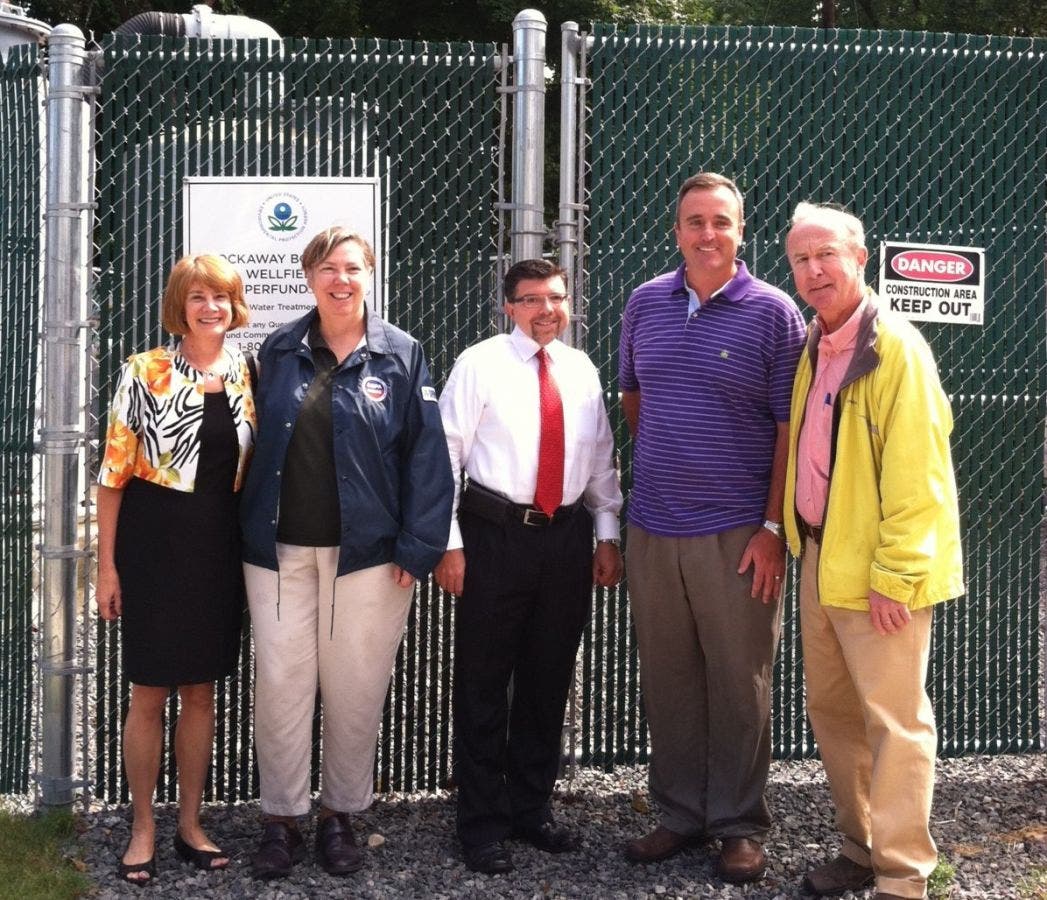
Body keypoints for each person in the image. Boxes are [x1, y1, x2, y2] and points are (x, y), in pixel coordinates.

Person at [240, 226, 453, 880]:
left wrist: (419, 545)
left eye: (353, 268)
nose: (341, 280)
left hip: (370, 555)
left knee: (355, 687)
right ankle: (280, 819)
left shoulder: (401, 353)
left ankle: (339, 814)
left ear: (370, 275)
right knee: (281, 684)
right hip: (278, 554)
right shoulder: (277, 350)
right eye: (328, 268)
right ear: (309, 277)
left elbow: (427, 455)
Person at [618, 172, 806, 882]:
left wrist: (771, 527)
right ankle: (679, 814)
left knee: (738, 681)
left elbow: (789, 430)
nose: (707, 234)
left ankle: (738, 823)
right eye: (694, 221)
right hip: (652, 526)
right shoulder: (644, 303)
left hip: (737, 533)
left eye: (720, 222)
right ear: (676, 231)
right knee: (668, 678)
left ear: (740, 231)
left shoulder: (774, 313)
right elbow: (634, 397)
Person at [782, 202, 964, 900]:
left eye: (826, 254)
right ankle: (860, 848)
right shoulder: (815, 340)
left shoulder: (895, 350)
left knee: (894, 723)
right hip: (821, 559)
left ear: (860, 258)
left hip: (879, 574)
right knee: (834, 716)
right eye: (801, 259)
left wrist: (895, 575)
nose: (813, 270)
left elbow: (921, 479)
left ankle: (902, 876)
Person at [435, 258, 623, 875]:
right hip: (495, 536)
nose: (547, 309)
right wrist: (449, 543)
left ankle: (530, 808)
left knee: (548, 679)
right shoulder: (479, 364)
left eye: (557, 297)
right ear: (509, 307)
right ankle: (481, 823)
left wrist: (606, 534)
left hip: (565, 539)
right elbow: (446, 456)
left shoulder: (581, 369)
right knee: (484, 682)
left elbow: (600, 460)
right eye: (533, 299)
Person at [95, 254, 256, 885]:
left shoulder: (246, 371)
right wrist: (107, 569)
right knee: (149, 691)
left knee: (201, 692)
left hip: (218, 547)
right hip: (153, 545)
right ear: (179, 306)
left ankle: (190, 824)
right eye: (197, 297)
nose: (210, 308)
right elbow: (113, 476)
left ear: (234, 306)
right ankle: (142, 827)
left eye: (221, 297)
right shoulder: (145, 370)